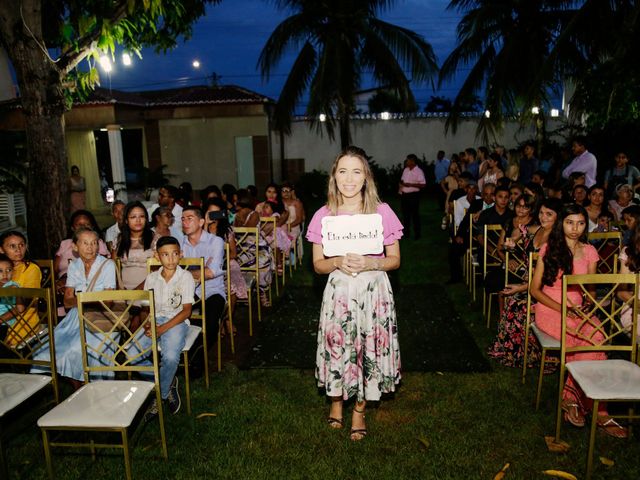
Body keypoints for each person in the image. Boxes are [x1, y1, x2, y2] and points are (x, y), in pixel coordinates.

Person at [306, 146, 402, 441]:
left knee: (367, 347)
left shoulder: (381, 211)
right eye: (343, 171)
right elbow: (318, 265)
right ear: (334, 177)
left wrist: (372, 261)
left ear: (366, 178)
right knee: (341, 346)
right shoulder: (324, 215)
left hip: (374, 293)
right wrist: (336, 261)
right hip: (340, 293)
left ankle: (359, 409)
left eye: (356, 171)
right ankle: (336, 401)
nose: (349, 178)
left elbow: (395, 260)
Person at [530, 204, 627, 438]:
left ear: (586, 226)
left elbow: (590, 291)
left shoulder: (590, 251)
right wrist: (563, 309)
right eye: (570, 222)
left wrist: (588, 309)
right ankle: (598, 410)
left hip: (578, 308)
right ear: (562, 223)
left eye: (580, 223)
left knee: (598, 340)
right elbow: (535, 290)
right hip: (550, 306)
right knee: (579, 341)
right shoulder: (549, 248)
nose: (575, 228)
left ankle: (573, 399)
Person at [32, 227, 117, 387]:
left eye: (94, 243)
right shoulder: (74, 266)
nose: (90, 248)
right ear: (75, 247)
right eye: (85, 243)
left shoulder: (107, 265)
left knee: (77, 351)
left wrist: (79, 298)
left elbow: (108, 301)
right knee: (47, 351)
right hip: (74, 319)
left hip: (100, 319)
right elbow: (67, 302)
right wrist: (88, 298)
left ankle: (89, 389)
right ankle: (79, 389)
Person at [487, 198, 562, 367]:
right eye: (541, 213)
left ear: (558, 217)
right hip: (529, 281)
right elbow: (519, 231)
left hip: (546, 288)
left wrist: (521, 287)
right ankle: (511, 349)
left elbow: (549, 278)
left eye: (549, 214)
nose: (543, 217)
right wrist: (512, 240)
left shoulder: (557, 241)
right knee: (511, 299)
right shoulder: (538, 230)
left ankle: (533, 353)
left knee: (517, 303)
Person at [131, 235, 195, 415]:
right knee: (131, 356)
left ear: (180, 254)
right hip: (155, 320)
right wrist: (147, 325)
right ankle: (167, 380)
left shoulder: (186, 277)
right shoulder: (151, 278)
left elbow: (186, 311)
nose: (171, 259)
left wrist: (161, 329)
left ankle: (160, 395)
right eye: (165, 255)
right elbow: (145, 308)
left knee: (171, 358)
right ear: (158, 257)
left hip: (177, 321)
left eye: (175, 254)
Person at [181, 206, 226, 344]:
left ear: (201, 222)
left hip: (212, 291)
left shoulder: (215, 241)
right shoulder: (180, 244)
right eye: (183, 219)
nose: (185, 222)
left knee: (210, 323)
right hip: (189, 293)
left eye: (189, 219)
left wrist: (185, 273)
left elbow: (211, 272)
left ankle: (199, 358)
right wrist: (202, 270)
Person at [204, 198, 248, 332]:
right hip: (206, 265)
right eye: (211, 212)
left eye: (217, 212)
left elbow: (234, 253)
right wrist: (205, 225)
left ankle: (227, 319)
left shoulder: (226, 230)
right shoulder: (200, 231)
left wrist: (220, 258)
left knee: (231, 282)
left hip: (225, 262)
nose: (214, 216)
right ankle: (218, 319)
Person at [0, 231, 41, 345]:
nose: (18, 249)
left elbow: (25, 302)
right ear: (1, 249)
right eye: (12, 246)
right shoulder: (3, 268)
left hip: (23, 320)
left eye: (21, 245)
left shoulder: (31, 269)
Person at [233, 189, 273, 306]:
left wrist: (240, 221)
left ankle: (261, 291)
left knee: (262, 261)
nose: (234, 203)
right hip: (241, 247)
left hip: (257, 246)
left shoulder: (254, 214)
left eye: (236, 200)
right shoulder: (236, 215)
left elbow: (247, 231)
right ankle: (244, 291)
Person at [114, 201, 158, 291]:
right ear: (126, 220)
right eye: (133, 217)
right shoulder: (119, 240)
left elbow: (158, 270)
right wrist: (120, 288)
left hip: (149, 288)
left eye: (142, 216)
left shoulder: (156, 239)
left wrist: (137, 290)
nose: (138, 220)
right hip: (123, 290)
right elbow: (114, 268)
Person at [0, 254, 19, 338]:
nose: (5, 274)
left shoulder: (13, 286)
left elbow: (19, 309)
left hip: (4, 323)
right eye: (0, 271)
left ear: (13, 271)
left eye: (9, 270)